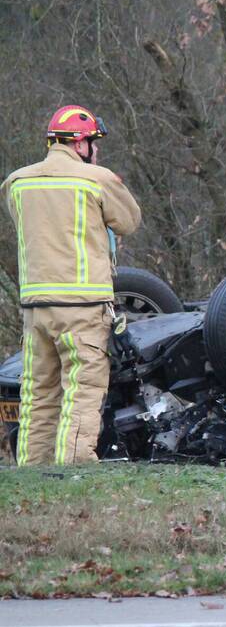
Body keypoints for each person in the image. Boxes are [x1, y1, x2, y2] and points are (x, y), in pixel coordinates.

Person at [1, 105, 141, 466]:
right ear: (80, 144)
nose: (96, 151)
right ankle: (76, 470)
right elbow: (128, 221)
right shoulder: (95, 179)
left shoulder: (17, 182)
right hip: (83, 308)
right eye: (94, 143)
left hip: (35, 310)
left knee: (39, 395)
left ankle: (33, 471)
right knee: (82, 392)